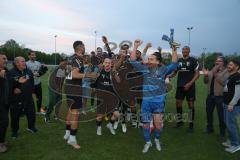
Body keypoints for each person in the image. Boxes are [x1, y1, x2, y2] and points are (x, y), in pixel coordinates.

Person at [130, 39, 178, 153]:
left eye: (151, 59)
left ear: (157, 62)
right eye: (149, 59)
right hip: (146, 103)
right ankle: (148, 142)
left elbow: (174, 63)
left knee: (158, 126)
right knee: (146, 126)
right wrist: (135, 46)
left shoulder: (163, 70)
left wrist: (174, 50)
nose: (148, 61)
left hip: (158, 104)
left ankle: (156, 139)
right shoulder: (145, 69)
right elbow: (132, 60)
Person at [10, 56, 37, 139]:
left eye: (24, 61)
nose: (24, 63)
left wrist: (32, 92)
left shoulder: (28, 71)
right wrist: (13, 90)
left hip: (28, 97)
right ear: (17, 63)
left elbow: (32, 82)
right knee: (15, 115)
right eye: (22, 61)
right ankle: (15, 131)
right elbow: (7, 85)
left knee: (31, 113)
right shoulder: (11, 72)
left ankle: (31, 127)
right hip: (16, 98)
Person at [174, 46, 199, 132]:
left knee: (190, 105)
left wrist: (190, 83)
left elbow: (197, 74)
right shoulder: (179, 60)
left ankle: (191, 124)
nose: (184, 51)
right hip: (180, 86)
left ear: (189, 51)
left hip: (190, 86)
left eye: (186, 50)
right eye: (183, 50)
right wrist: (169, 76)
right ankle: (180, 121)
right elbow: (175, 71)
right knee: (178, 103)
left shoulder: (193, 60)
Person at [203, 56, 229, 138]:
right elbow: (205, 82)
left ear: (223, 62)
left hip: (220, 97)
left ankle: (222, 132)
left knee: (221, 115)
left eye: (219, 61)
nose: (217, 62)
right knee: (209, 113)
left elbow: (223, 82)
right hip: (210, 96)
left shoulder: (226, 71)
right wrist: (206, 75)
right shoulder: (212, 70)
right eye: (216, 61)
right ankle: (210, 128)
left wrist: (215, 74)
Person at [95, 58, 121, 136]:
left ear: (111, 64)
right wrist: (96, 75)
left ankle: (110, 125)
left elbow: (119, 81)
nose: (107, 64)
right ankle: (99, 127)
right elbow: (92, 80)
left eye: (109, 63)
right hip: (101, 97)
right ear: (103, 63)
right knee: (100, 116)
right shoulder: (99, 71)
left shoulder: (112, 72)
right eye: (106, 62)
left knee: (117, 114)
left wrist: (115, 74)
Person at [222, 60, 240, 153]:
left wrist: (232, 104)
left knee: (231, 124)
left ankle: (235, 145)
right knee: (227, 122)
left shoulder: (237, 76)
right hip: (226, 103)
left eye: (231, 65)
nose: (229, 66)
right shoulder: (231, 76)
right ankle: (231, 141)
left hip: (232, 105)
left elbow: (238, 93)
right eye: (228, 64)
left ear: (237, 67)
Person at [0, 53, 11, 153]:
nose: (6, 60)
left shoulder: (6, 71)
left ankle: (2, 141)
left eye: (6, 58)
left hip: (5, 102)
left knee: (4, 122)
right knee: (3, 122)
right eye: (4, 58)